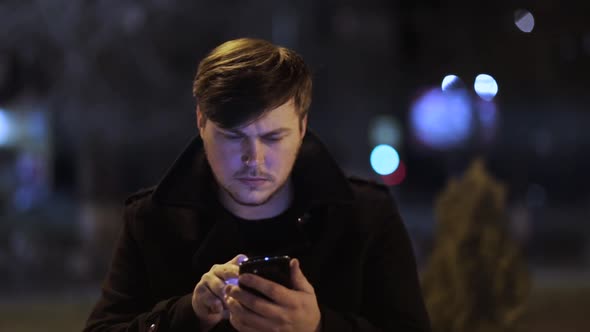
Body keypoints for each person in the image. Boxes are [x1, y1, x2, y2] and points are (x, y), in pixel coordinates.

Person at [84, 38, 431, 332]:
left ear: (302, 126)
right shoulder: (153, 220)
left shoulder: (364, 217)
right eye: (234, 137)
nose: (255, 158)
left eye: (273, 137)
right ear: (201, 121)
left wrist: (318, 325)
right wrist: (189, 314)